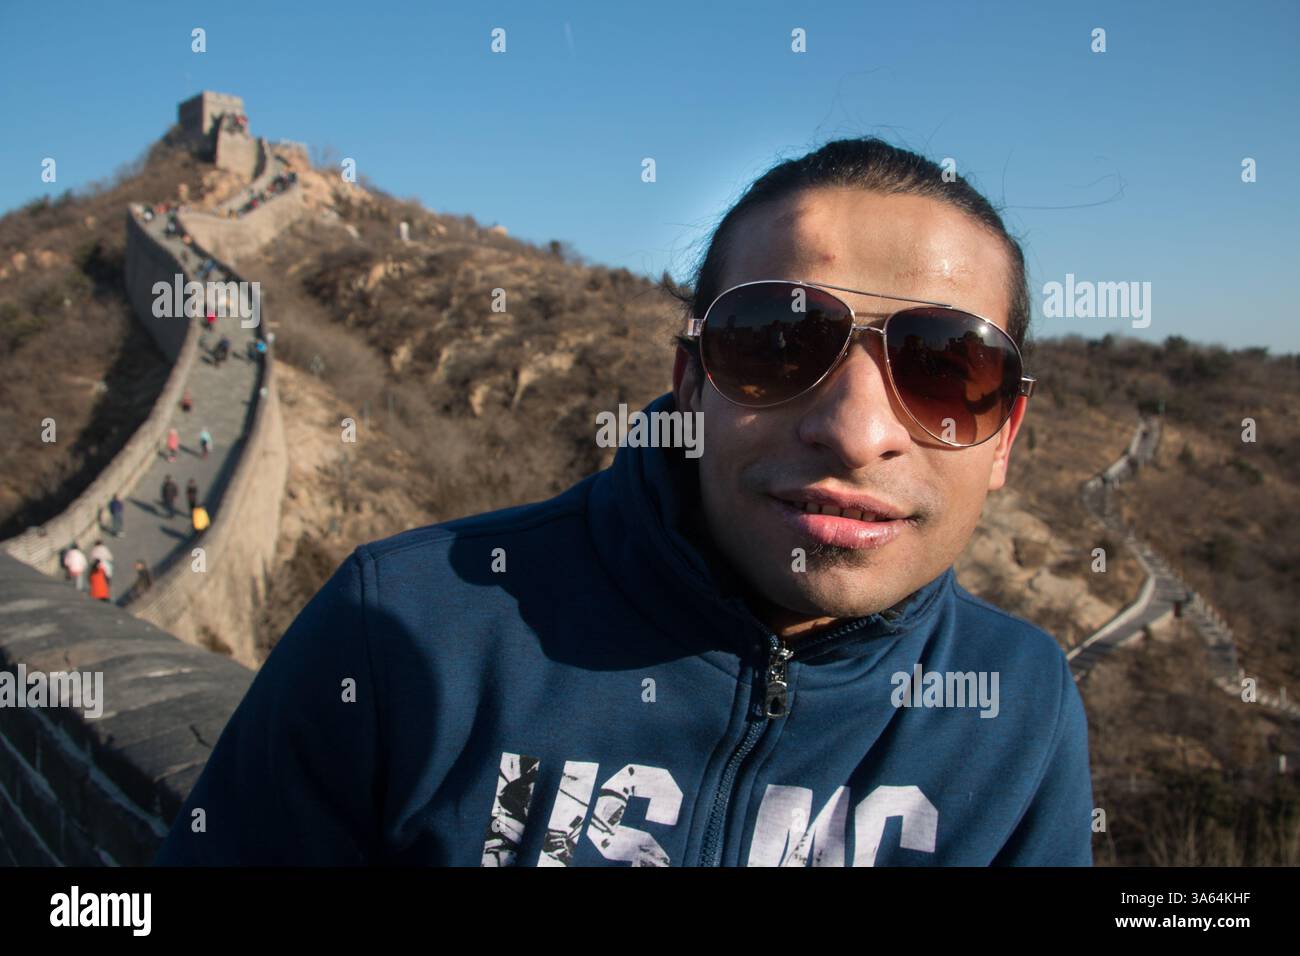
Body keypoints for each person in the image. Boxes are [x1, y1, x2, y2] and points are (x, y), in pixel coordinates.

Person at [156, 137, 1092, 867]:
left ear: (1006, 432)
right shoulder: (409, 630)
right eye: (776, 342)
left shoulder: (1017, 707)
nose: (856, 430)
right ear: (690, 385)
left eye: (944, 368)